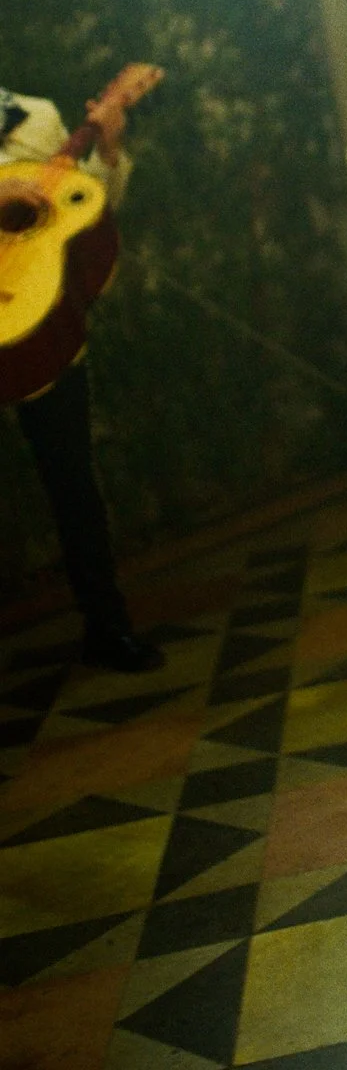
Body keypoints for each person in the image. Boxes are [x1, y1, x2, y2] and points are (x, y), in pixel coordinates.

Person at [1, 86, 164, 674]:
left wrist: (109, 151)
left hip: (42, 321)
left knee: (74, 485)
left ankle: (108, 626)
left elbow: (83, 209)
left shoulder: (37, 116)